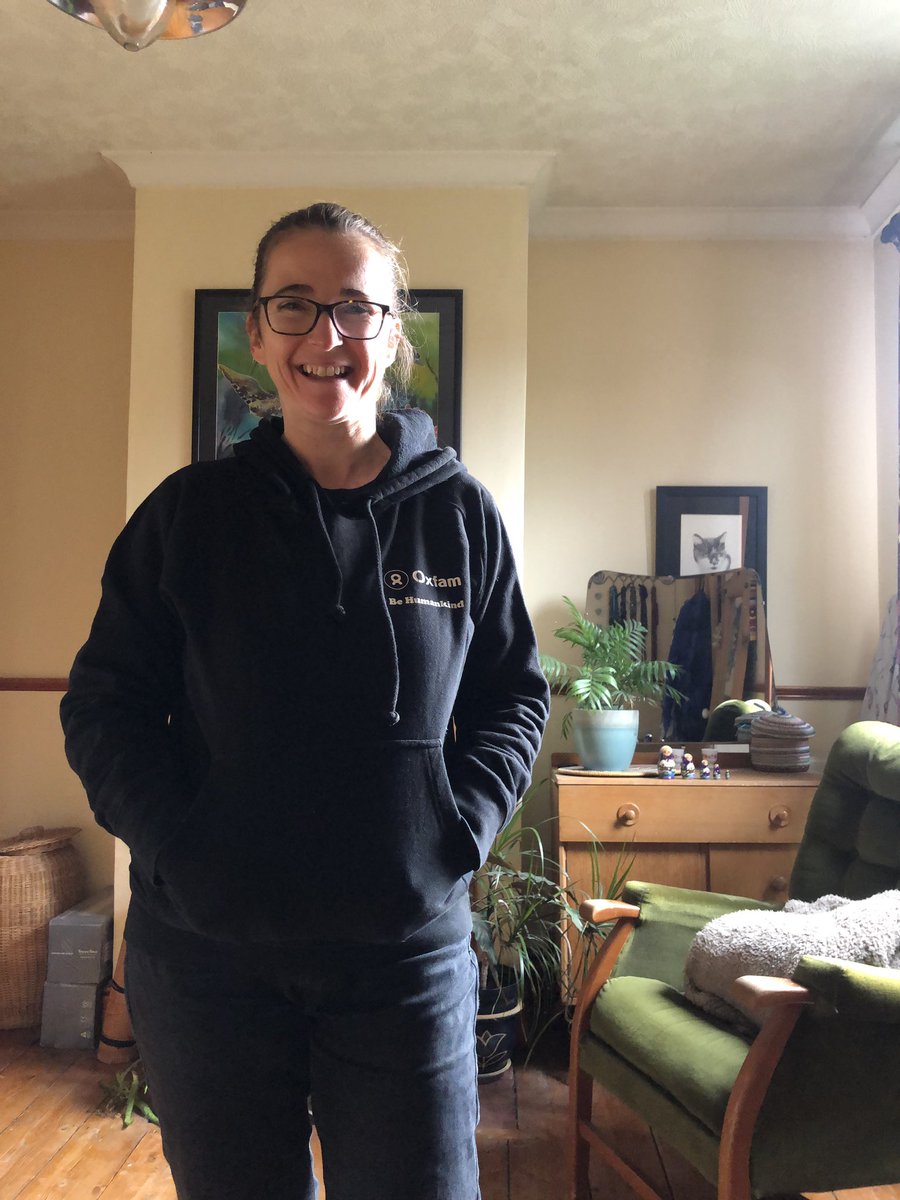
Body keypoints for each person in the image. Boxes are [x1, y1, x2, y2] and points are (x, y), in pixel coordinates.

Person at [60, 201, 550, 1200]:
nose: (327, 334)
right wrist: (177, 843)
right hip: (207, 962)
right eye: (296, 304)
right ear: (257, 332)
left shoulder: (459, 515)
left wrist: (458, 830)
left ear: (394, 335)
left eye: (357, 308)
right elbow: (105, 706)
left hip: (405, 963)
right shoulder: (186, 516)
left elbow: (513, 695)